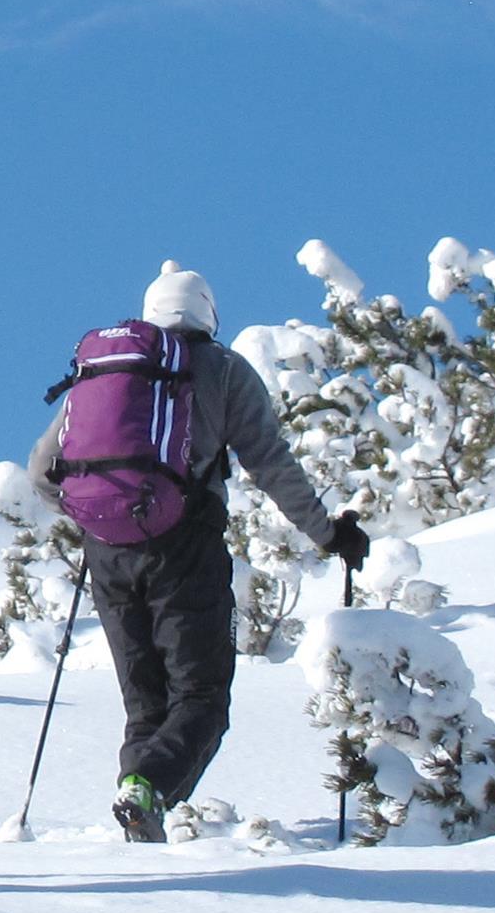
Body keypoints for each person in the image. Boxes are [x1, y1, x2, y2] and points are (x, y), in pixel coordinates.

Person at [25, 262, 363, 844]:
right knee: (202, 695)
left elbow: (41, 472)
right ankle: (147, 791)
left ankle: (139, 801)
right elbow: (272, 464)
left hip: (106, 553)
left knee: (145, 703)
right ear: (208, 313)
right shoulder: (224, 370)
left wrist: (99, 512)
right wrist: (327, 534)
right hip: (185, 548)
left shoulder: (106, 370)